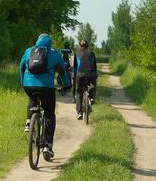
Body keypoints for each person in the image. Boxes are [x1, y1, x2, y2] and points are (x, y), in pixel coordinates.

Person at [19, 33, 70, 161]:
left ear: (37, 41)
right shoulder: (54, 53)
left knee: (32, 98)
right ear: (50, 42)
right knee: (49, 114)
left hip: (28, 85)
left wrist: (23, 82)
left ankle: (29, 121)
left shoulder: (28, 51)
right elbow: (62, 72)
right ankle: (47, 146)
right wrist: (67, 85)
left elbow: (21, 67)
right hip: (47, 87)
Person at [74, 39, 98, 120]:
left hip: (79, 75)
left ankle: (79, 113)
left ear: (80, 46)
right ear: (87, 46)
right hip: (90, 74)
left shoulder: (76, 53)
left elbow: (75, 67)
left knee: (78, 93)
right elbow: (94, 66)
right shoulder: (91, 53)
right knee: (93, 83)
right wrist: (95, 75)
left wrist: (74, 76)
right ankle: (91, 97)